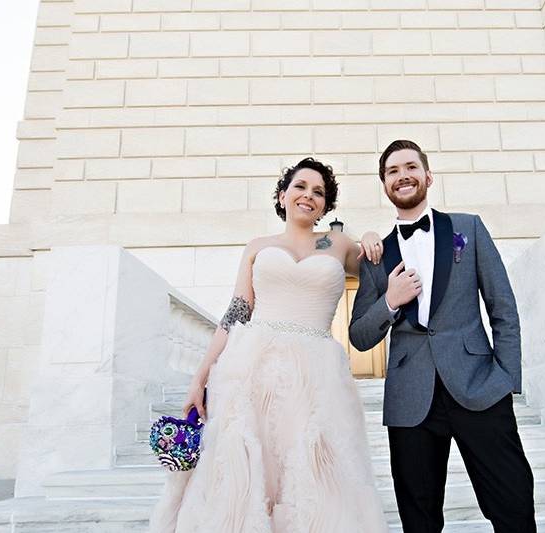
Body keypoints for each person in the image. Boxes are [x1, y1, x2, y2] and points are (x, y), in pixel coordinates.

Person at [149, 157, 388, 533]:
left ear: (326, 206)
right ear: (282, 195)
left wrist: (373, 236)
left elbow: (382, 270)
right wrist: (200, 377)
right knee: (249, 474)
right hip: (253, 366)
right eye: (300, 187)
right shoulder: (259, 246)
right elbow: (237, 313)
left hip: (315, 373)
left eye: (319, 192)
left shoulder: (339, 244)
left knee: (313, 474)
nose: (308, 196)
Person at [349, 140, 536, 532]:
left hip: (480, 387)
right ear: (384, 184)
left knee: (513, 504)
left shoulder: (468, 227)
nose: (403, 176)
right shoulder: (376, 255)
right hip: (410, 399)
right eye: (392, 171)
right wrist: (389, 302)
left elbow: (502, 306)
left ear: (427, 176)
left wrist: (506, 380)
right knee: (419, 519)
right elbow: (360, 336)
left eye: (410, 167)